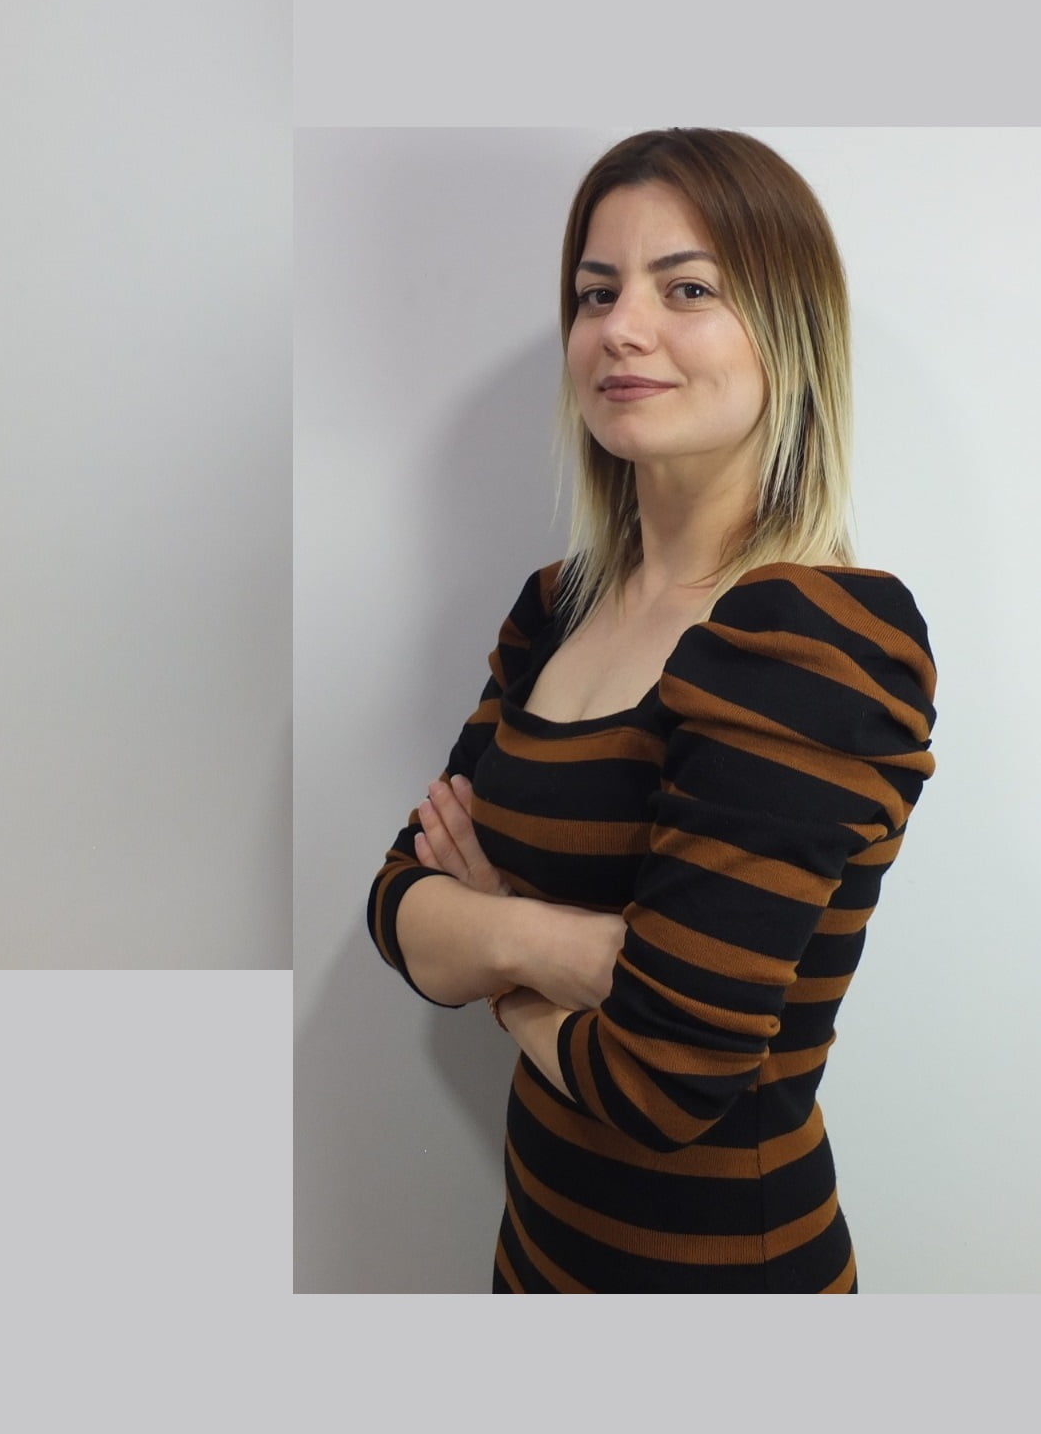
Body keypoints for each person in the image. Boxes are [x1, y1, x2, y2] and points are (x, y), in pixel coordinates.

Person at [366, 127, 938, 1293]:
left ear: (784, 328)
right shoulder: (556, 607)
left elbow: (663, 1083)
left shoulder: (812, 637)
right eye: (596, 292)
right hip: (540, 1254)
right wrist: (553, 946)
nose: (621, 328)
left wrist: (490, 949)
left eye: (686, 289)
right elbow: (396, 905)